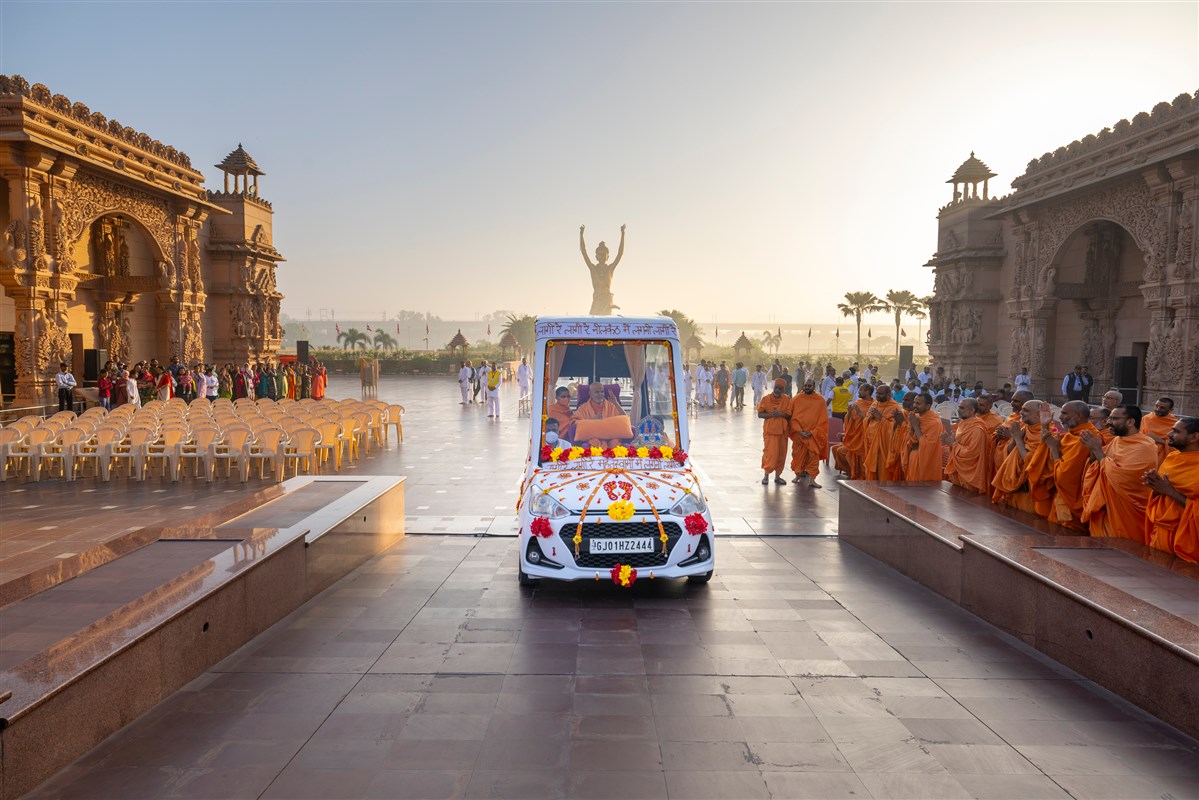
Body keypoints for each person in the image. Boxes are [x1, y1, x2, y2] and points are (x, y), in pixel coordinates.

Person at [1079, 405, 1158, 543]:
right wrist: (1093, 451)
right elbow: (1099, 466)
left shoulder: (1145, 445)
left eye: (1114, 418)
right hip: (1106, 510)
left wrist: (1097, 451)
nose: (1108, 422)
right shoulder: (1117, 440)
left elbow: (1124, 478)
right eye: (1109, 418)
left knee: (1124, 555)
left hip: (1127, 513)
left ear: (1130, 422)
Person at [1143, 417, 1199, 561]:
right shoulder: (1172, 458)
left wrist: (1169, 491)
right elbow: (1162, 494)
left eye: (1176, 431)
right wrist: (1155, 486)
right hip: (1161, 531)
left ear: (1194, 437)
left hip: (1188, 537)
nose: (1169, 434)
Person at [1041, 400, 1098, 531]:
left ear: (1078, 416)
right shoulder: (1070, 435)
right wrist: (1044, 425)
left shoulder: (1086, 437)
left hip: (1072, 502)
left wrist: (1054, 449)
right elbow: (1045, 450)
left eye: (1064, 413)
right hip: (1061, 498)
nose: (1060, 417)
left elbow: (1063, 476)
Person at [992, 399, 1053, 516]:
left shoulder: (1047, 433)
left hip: (1029, 490)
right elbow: (1008, 452)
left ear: (1038, 414)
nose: (1021, 413)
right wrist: (1015, 438)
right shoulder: (1025, 429)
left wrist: (1018, 440)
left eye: (1025, 410)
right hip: (1014, 486)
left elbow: (1032, 463)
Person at [943, 398, 992, 494]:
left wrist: (952, 443)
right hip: (958, 471)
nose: (958, 410)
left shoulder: (977, 430)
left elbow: (971, 454)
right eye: (958, 407)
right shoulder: (963, 424)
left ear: (972, 410)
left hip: (970, 475)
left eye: (962, 408)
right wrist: (952, 442)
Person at [789, 378, 829, 488]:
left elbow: (823, 420)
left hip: (813, 435)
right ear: (802, 386)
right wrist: (800, 431)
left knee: (813, 457)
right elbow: (792, 418)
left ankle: (812, 480)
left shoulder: (820, 400)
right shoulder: (797, 399)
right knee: (798, 456)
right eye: (805, 385)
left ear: (814, 387)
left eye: (809, 386)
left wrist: (813, 432)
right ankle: (797, 475)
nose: (807, 387)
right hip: (799, 434)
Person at [832, 383, 873, 478]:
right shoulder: (857, 403)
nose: (858, 392)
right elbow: (850, 422)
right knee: (835, 449)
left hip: (864, 439)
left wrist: (859, 412)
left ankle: (856, 472)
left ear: (867, 392)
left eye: (861, 390)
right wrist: (849, 412)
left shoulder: (873, 406)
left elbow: (871, 423)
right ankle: (851, 470)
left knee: (841, 451)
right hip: (855, 437)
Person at [863, 385, 902, 481]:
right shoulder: (874, 404)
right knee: (871, 471)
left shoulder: (895, 407)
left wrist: (881, 418)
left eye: (881, 394)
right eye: (877, 393)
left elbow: (896, 427)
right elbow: (865, 421)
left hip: (884, 445)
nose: (878, 395)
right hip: (871, 442)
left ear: (888, 395)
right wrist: (870, 417)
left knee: (882, 472)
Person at [571, 381, 625, 448]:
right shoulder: (583, 408)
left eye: (602, 392)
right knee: (594, 442)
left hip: (610, 436)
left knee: (615, 442)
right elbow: (574, 423)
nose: (600, 394)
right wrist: (592, 421)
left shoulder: (611, 405)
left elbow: (625, 420)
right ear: (590, 394)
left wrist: (616, 403)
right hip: (594, 436)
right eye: (597, 392)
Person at [758, 378, 791, 486]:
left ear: (783, 389)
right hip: (770, 432)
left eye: (780, 388)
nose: (777, 390)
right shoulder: (766, 399)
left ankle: (777, 476)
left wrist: (780, 414)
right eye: (776, 388)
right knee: (770, 454)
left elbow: (789, 415)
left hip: (782, 432)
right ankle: (766, 476)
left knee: (781, 455)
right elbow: (760, 414)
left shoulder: (787, 399)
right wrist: (771, 415)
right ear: (774, 387)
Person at [905, 392, 944, 481]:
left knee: (924, 490)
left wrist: (915, 426)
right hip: (913, 457)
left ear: (927, 406)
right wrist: (911, 426)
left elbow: (927, 446)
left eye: (918, 403)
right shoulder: (915, 417)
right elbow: (909, 439)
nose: (914, 405)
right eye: (914, 402)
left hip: (926, 460)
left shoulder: (934, 422)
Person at [1140, 397, 1178, 466]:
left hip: (1164, 459)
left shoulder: (1175, 424)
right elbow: (1137, 435)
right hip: (1145, 455)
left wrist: (1160, 440)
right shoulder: (1146, 419)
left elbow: (1178, 446)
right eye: (1156, 406)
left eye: (1162, 408)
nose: (1158, 409)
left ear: (1170, 410)